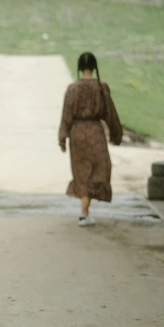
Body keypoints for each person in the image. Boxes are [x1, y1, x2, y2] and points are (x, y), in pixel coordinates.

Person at [58, 52, 123, 226]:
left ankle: (84, 212)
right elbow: (110, 113)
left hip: (77, 133)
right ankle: (84, 212)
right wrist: (116, 134)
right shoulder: (101, 88)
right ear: (94, 68)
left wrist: (62, 137)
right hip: (95, 132)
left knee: (82, 170)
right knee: (99, 169)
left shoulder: (72, 89)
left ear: (79, 68)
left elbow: (66, 115)